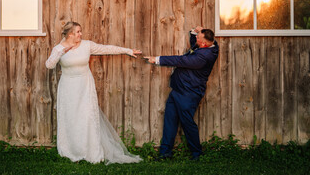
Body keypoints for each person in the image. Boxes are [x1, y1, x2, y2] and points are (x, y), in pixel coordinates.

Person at [45, 21, 142, 164]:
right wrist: (60, 52)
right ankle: (71, 150)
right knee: (70, 117)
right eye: (78, 32)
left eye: (80, 31)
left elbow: (106, 48)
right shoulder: (58, 48)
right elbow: (49, 65)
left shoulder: (86, 45)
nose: (80, 34)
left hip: (85, 85)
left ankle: (90, 150)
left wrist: (128, 50)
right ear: (70, 34)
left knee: (87, 117)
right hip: (68, 87)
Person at [144, 26, 219, 161]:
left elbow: (181, 60)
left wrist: (157, 59)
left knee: (187, 123)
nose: (195, 38)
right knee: (170, 121)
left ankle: (197, 153)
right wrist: (196, 32)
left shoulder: (203, 57)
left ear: (202, 44)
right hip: (178, 90)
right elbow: (196, 44)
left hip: (189, 93)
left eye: (198, 38)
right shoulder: (211, 46)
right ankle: (165, 153)